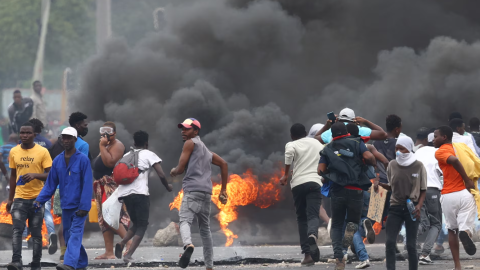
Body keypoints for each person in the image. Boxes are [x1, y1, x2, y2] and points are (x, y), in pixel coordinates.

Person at [171, 118, 228, 270]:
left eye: (187, 129)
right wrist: (223, 190)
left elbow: (180, 169)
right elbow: (224, 164)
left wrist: (173, 171)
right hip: (206, 193)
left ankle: (188, 244)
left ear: (196, 131)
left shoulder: (190, 143)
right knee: (205, 230)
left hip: (192, 190)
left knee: (184, 221)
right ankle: (209, 265)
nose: (183, 131)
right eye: (182, 129)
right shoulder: (207, 151)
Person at [318, 122, 375, 270]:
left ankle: (339, 257)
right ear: (347, 132)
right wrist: (365, 163)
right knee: (352, 223)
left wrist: (331, 170)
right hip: (356, 190)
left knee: (337, 224)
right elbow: (369, 157)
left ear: (333, 135)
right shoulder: (357, 142)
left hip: (338, 191)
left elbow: (321, 170)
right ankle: (345, 246)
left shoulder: (328, 148)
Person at [34, 127, 93, 270]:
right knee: (68, 237)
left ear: (75, 139)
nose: (66, 141)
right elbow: (50, 185)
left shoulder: (83, 160)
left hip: (79, 207)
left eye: (69, 138)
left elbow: (87, 184)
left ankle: (69, 264)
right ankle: (81, 263)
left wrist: (85, 207)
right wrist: (39, 200)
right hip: (66, 205)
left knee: (75, 234)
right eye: (63, 138)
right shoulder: (58, 161)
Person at [114, 131, 173, 263]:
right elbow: (161, 175)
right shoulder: (148, 154)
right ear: (146, 143)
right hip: (140, 194)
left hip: (125, 194)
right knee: (142, 225)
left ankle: (123, 243)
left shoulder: (127, 155)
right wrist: (167, 187)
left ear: (134, 143)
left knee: (136, 223)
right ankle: (128, 255)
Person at [5, 122, 52, 270]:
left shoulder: (43, 152)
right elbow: (13, 176)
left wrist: (35, 175)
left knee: (36, 233)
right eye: (22, 132)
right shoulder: (14, 151)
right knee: (17, 230)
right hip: (19, 198)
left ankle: (36, 263)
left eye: (28, 133)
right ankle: (16, 261)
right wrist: (10, 199)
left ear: (34, 135)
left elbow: (51, 175)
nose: (24, 135)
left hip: (38, 199)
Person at [378, 136, 427, 270]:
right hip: (395, 207)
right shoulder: (392, 164)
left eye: (401, 148)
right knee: (389, 242)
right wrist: (381, 185)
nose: (398, 151)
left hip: (412, 208)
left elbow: (423, 190)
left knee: (411, 245)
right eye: (396, 148)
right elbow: (391, 185)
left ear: (409, 148)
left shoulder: (418, 166)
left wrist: (419, 206)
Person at [433, 126, 477, 270]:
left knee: (452, 230)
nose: (433, 140)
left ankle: (457, 266)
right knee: (466, 224)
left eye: (435, 136)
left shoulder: (440, 151)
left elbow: (454, 161)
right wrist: (470, 181)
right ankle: (466, 232)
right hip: (465, 194)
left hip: (449, 195)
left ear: (444, 137)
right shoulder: (461, 148)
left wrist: (466, 179)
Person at [279, 123, 323, 266]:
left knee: (301, 218)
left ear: (292, 135)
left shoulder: (292, 144)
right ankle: (312, 235)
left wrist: (285, 175)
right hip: (315, 182)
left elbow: (289, 154)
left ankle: (307, 255)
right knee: (313, 215)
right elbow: (325, 157)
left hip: (298, 184)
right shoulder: (317, 143)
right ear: (305, 133)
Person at [48, 112, 90, 261]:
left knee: (65, 226)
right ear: (77, 126)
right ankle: (70, 259)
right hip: (74, 193)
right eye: (85, 125)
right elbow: (83, 173)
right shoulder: (83, 145)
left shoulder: (57, 144)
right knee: (76, 228)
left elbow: (53, 170)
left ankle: (64, 254)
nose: (87, 127)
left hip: (61, 190)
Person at [93, 121, 131, 260]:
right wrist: (103, 146)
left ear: (114, 133)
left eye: (108, 130)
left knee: (109, 215)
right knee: (104, 219)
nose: (105, 133)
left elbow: (110, 162)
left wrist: (102, 145)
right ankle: (109, 252)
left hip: (111, 185)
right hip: (101, 186)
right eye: (103, 130)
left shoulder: (117, 145)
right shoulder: (107, 145)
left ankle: (129, 242)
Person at [27, 118, 56, 254]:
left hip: (28, 181)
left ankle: (29, 237)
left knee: (28, 211)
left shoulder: (25, 142)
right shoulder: (48, 143)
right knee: (46, 211)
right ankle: (51, 234)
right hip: (45, 181)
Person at [414, 136, 443, 264]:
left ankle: (411, 242)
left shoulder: (417, 152)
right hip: (432, 190)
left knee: (423, 222)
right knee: (436, 224)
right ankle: (425, 254)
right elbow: (442, 172)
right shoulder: (437, 153)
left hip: (417, 191)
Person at [372, 114, 402, 233]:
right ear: (397, 129)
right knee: (392, 216)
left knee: (374, 217)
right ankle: (392, 242)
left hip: (378, 183)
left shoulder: (375, 143)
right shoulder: (399, 144)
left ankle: (364, 234)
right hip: (392, 185)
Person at [315, 108, 387, 144]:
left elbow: (315, 139)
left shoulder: (332, 131)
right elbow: (383, 134)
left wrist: (327, 126)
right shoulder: (358, 130)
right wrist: (365, 122)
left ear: (338, 119)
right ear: (353, 120)